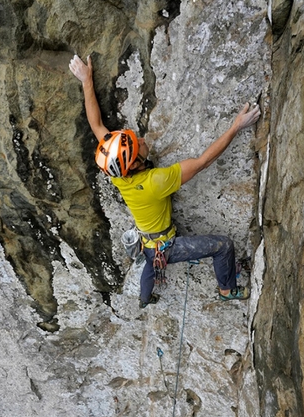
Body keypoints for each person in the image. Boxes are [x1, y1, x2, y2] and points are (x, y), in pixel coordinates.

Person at [69, 54, 260, 308]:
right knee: (223, 246)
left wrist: (86, 80)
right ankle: (227, 290)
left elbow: (96, 124)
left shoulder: (117, 174)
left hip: (149, 244)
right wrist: (236, 126)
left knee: (150, 262)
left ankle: (144, 299)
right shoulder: (156, 181)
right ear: (135, 164)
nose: (141, 139)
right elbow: (203, 161)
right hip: (167, 246)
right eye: (138, 144)